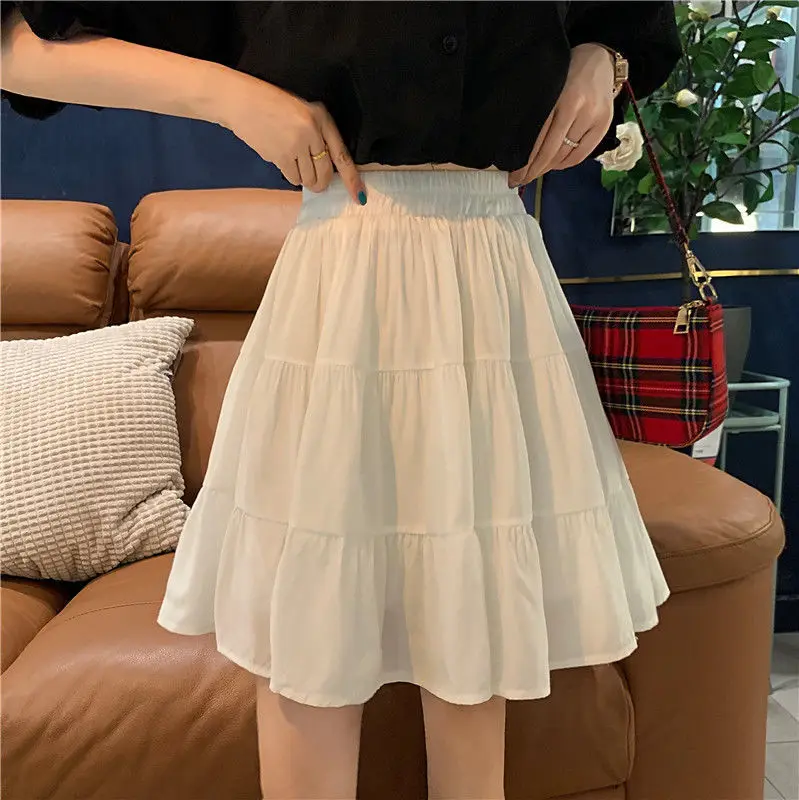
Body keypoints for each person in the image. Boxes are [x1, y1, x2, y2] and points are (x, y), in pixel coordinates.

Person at [1, 3, 681, 798]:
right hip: (347, 267)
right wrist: (232, 97)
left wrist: (603, 56)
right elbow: (20, 48)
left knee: (478, 614)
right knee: (313, 632)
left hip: (497, 271)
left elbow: (627, 19)